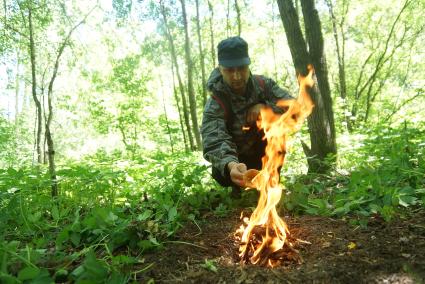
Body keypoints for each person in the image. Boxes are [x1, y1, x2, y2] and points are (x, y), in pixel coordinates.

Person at [201, 36, 295, 196]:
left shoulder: (264, 85)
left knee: (277, 132)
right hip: (237, 159)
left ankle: (270, 184)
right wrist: (231, 165)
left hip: (265, 152)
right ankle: (238, 187)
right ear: (220, 69)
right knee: (220, 169)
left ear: (248, 65)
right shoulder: (216, 102)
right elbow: (214, 140)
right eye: (230, 70)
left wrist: (266, 110)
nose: (237, 76)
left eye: (242, 68)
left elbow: (295, 107)